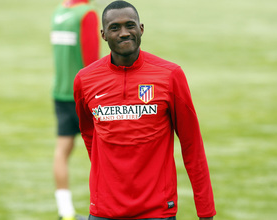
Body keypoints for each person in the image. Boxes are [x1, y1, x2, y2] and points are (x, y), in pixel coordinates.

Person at [73, 1, 216, 219]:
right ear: (103, 34)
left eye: (130, 25)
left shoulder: (169, 75)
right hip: (104, 210)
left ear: (141, 29)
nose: (123, 33)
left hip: (157, 210)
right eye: (114, 28)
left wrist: (205, 211)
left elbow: (192, 144)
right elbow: (89, 133)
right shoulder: (85, 80)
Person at [50, 0, 100, 219]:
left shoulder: (60, 11)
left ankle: (65, 212)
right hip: (83, 94)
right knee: (104, 153)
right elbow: (91, 60)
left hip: (60, 91)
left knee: (62, 150)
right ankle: (106, 208)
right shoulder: (86, 13)